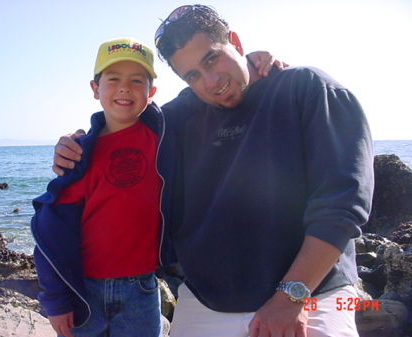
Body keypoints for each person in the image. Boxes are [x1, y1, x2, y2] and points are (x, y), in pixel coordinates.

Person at [52, 4, 374, 337]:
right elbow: (120, 122)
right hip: (206, 300)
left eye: (211, 59)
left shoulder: (305, 89)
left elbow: (342, 205)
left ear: (235, 41)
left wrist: (291, 297)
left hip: (312, 294)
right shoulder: (179, 117)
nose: (211, 82)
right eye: (191, 76)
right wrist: (77, 144)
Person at [32, 37, 164, 337]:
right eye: (113, 78)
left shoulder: (165, 139)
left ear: (151, 92)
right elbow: (52, 227)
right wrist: (55, 299)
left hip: (141, 289)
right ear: (95, 89)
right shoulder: (79, 153)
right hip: (83, 291)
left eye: (136, 80)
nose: (124, 87)